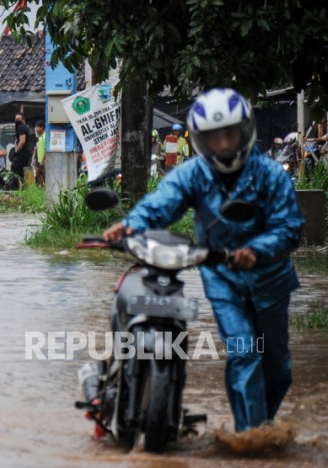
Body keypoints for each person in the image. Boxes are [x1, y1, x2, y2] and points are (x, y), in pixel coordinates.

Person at [102, 88, 304, 433]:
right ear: (199, 140)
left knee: (278, 368)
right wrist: (131, 225)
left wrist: (256, 250)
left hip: (270, 280)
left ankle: (265, 424)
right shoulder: (194, 173)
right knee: (243, 354)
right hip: (223, 279)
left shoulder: (272, 175)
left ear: (245, 131)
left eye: (230, 133)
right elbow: (163, 201)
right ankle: (250, 437)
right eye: (213, 137)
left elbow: (289, 227)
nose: (224, 144)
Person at [11, 112, 31, 180]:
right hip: (24, 155)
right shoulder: (25, 127)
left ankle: (15, 188)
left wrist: (16, 151)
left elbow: (22, 141)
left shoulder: (21, 128)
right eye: (16, 119)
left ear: (23, 120)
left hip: (21, 155)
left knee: (15, 173)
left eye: (18, 119)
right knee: (22, 174)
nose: (17, 120)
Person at [32, 120, 46, 186]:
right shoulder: (40, 137)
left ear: (41, 128)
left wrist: (43, 161)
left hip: (43, 160)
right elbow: (36, 148)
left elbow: (46, 150)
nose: (36, 129)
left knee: (44, 175)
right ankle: (42, 188)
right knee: (37, 174)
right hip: (39, 160)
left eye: (37, 127)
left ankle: (47, 188)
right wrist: (34, 158)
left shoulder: (45, 136)